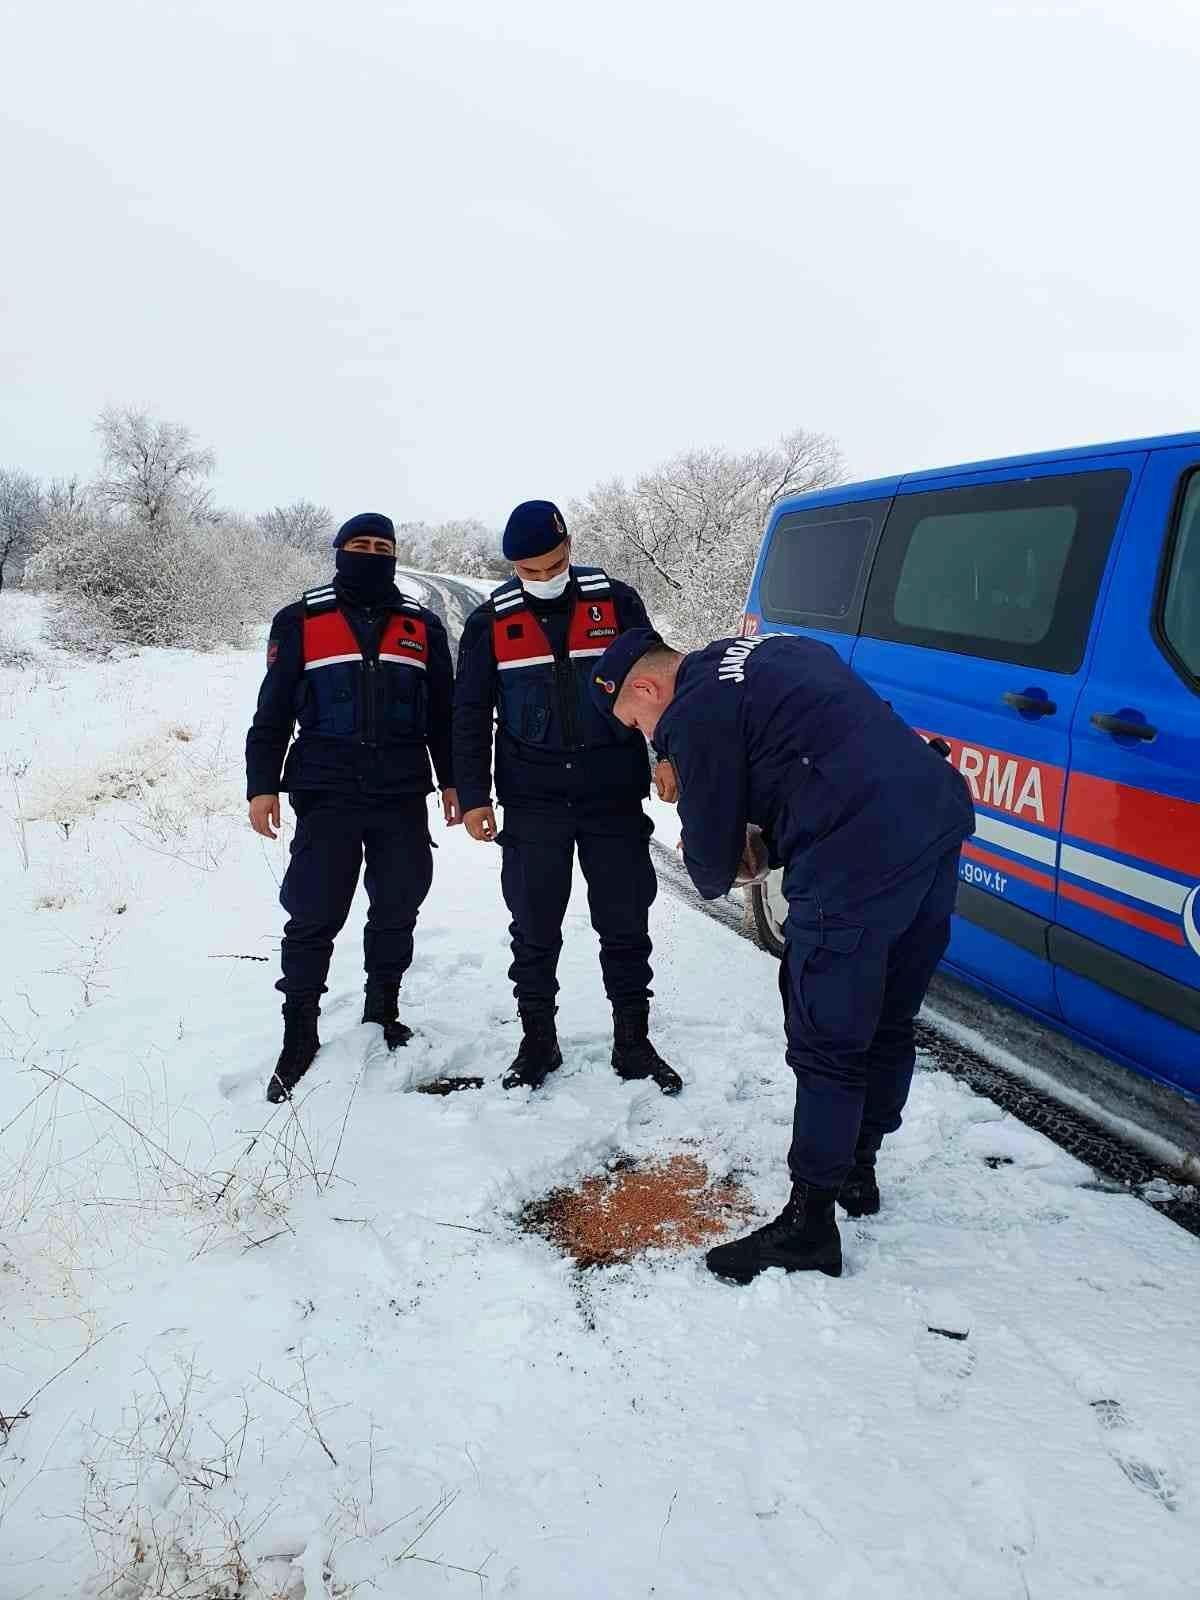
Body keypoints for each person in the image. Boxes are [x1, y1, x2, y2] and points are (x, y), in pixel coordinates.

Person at [592, 626, 974, 1282]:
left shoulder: (691, 713)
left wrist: (731, 843)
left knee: (827, 1031)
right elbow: (810, 747)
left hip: (855, 853)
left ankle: (810, 1223)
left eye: (636, 723)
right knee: (887, 1013)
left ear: (649, 689)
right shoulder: (766, 650)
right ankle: (858, 1169)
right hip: (932, 816)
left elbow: (711, 869)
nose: (648, 739)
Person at [452, 500, 681, 1094]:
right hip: (534, 800)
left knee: (625, 922)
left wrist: (667, 754)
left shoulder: (617, 602)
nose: (543, 577)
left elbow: (658, 686)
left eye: (553, 564)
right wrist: (474, 796)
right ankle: (538, 1043)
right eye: (528, 570)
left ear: (570, 547)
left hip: (612, 794)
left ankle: (633, 1042)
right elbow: (469, 714)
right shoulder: (489, 622)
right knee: (533, 927)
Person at [246, 512, 459, 1102]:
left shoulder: (421, 626)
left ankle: (382, 1010)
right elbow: (272, 712)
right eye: (360, 544)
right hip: (327, 791)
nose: (372, 553)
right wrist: (262, 785)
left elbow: (443, 715)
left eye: (382, 546)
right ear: (339, 551)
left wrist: (453, 782)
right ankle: (299, 1031)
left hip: (400, 793)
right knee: (312, 911)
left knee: (398, 905)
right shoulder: (300, 620)